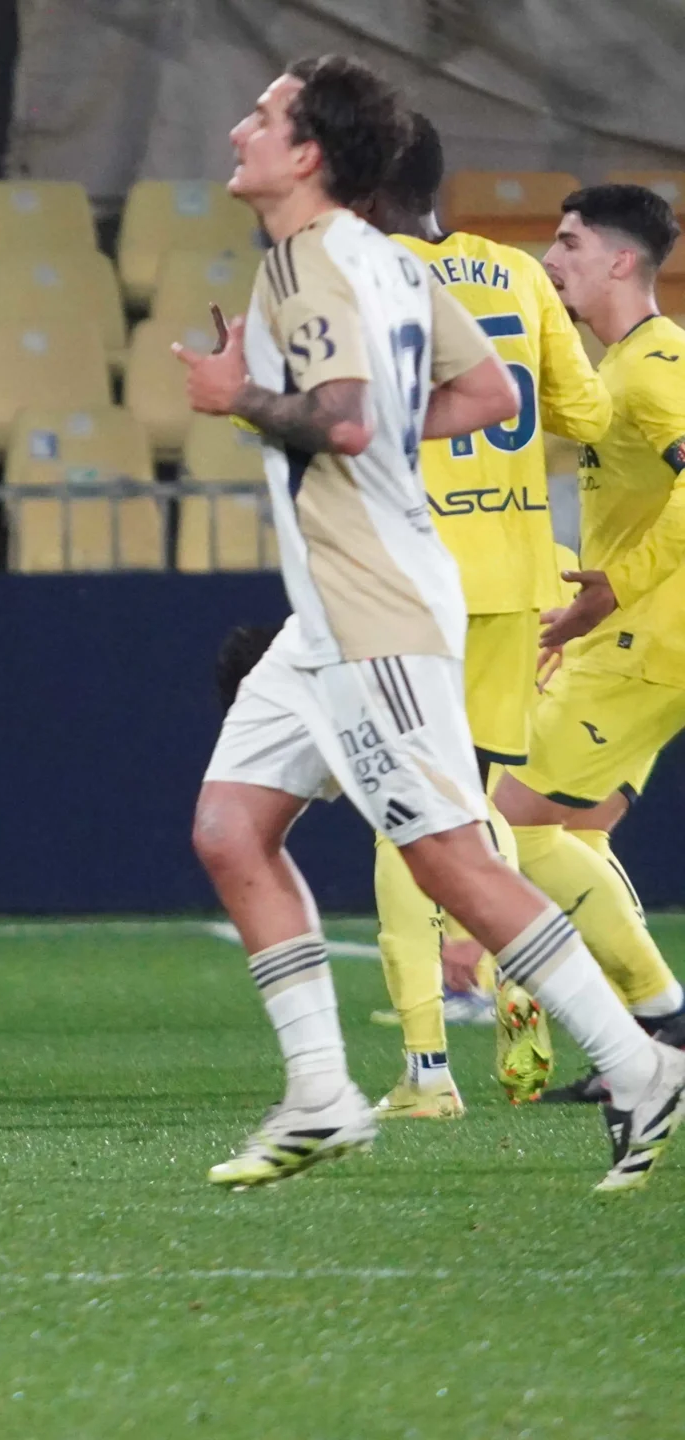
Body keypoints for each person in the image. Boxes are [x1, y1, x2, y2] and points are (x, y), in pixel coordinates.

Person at [173, 54, 684, 1193]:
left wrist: (237, 400)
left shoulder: (315, 268)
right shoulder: (384, 262)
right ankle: (320, 1095)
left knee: (450, 858)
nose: (235, 134)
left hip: (377, 607)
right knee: (228, 827)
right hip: (334, 607)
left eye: (259, 117)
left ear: (308, 155)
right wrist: (353, 435)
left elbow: (346, 426)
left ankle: (639, 1062)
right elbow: (491, 396)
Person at [350, 114, 613, 1116]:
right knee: (479, 809)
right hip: (510, 577)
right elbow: (584, 417)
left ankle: (425, 1071)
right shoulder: (512, 272)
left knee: (396, 816)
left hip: (407, 579)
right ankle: (522, 998)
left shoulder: (358, 281)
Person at [489, 184, 685, 1091]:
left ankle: (664, 1027)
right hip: (635, 637)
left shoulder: (654, 367)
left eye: (568, 243)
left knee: (505, 830)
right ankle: (640, 1048)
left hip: (649, 641)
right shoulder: (623, 365)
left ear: (620, 260)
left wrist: (614, 590)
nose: (551, 258)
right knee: (579, 835)